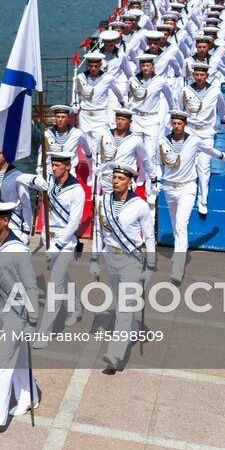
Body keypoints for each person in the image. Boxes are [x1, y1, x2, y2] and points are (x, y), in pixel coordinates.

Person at [0, 202, 39, 436]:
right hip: (0, 309)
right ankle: (29, 396)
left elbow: (31, 286)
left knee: (2, 365)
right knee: (19, 356)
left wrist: (33, 320)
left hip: (17, 313)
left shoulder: (18, 251)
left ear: (6, 221)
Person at [89, 158, 155, 373]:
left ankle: (116, 354)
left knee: (125, 308)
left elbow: (150, 237)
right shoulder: (101, 202)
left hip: (131, 260)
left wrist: (151, 265)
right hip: (110, 257)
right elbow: (98, 234)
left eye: (121, 178)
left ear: (130, 182)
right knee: (121, 301)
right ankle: (133, 329)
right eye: (114, 177)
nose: (115, 181)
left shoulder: (140, 206)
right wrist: (94, 260)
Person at [153, 110, 225, 283]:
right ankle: (181, 248)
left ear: (185, 124)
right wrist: (157, 180)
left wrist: (221, 156)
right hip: (170, 188)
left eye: (179, 123)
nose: (176, 126)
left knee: (181, 225)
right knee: (174, 224)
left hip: (187, 188)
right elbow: (158, 162)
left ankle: (177, 269)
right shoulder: (163, 141)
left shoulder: (193, 140)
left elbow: (208, 149)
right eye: (174, 123)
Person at [29, 152, 86, 338]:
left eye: (57, 165)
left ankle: (44, 333)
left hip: (65, 243)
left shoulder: (76, 190)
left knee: (55, 284)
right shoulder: (50, 182)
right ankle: (76, 308)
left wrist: (58, 245)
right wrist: (36, 181)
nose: (53, 168)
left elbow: (74, 222)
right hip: (48, 239)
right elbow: (34, 181)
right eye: (52, 165)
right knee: (62, 279)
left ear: (67, 166)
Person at [0, 140, 33, 242]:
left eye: (0, 153)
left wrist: (26, 231)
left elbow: (26, 205)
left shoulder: (18, 176)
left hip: (12, 224)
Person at [181, 64, 225, 154]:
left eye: (202, 75)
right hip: (189, 130)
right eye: (197, 75)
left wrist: (223, 122)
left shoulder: (215, 92)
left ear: (207, 76)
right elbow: (180, 109)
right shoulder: (185, 91)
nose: (199, 78)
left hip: (206, 133)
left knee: (204, 166)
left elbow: (222, 107)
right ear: (193, 75)